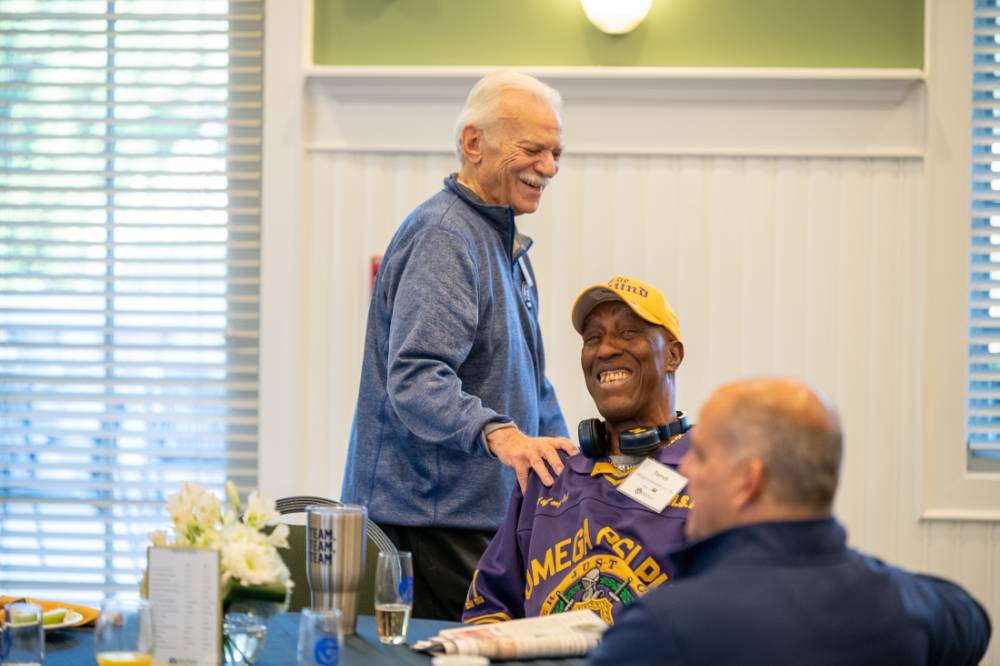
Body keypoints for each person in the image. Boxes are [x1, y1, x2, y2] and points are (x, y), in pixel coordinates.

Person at [341, 71, 577, 621]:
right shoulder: (445, 236)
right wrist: (501, 434)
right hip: (427, 526)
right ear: (474, 143)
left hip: (475, 517)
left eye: (557, 152)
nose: (549, 168)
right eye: (533, 149)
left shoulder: (502, 239)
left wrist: (570, 461)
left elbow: (530, 382)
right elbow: (417, 378)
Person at [588, 378, 992, 666]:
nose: (688, 469)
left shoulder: (662, 628)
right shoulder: (912, 607)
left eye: (704, 456)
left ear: (749, 480)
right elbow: (975, 622)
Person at [462, 275, 693, 625]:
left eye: (629, 332)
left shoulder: (711, 474)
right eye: (592, 338)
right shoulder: (548, 475)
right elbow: (488, 607)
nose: (606, 349)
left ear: (673, 355)